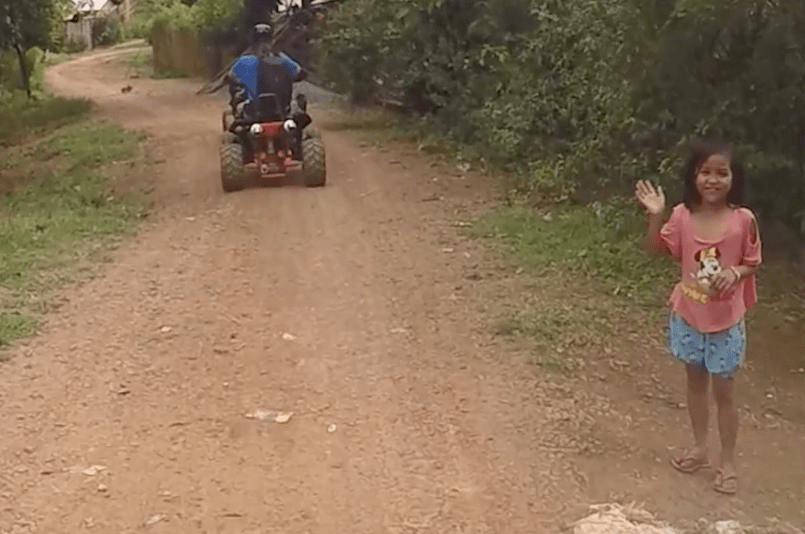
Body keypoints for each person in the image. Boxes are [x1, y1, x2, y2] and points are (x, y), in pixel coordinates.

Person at [635, 139, 762, 495]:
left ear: (734, 178)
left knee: (724, 393)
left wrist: (734, 273)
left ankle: (728, 462)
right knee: (694, 384)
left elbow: (752, 262)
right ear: (693, 176)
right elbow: (654, 250)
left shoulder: (743, 220)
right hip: (688, 315)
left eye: (722, 172)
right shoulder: (681, 216)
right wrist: (655, 216)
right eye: (705, 171)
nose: (713, 180)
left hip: (725, 322)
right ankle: (700, 448)